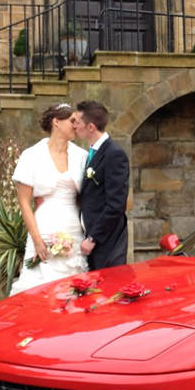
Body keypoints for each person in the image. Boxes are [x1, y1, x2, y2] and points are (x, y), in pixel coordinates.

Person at [8, 103, 89, 295]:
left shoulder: (82, 156)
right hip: (43, 227)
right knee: (38, 284)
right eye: (72, 121)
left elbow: (86, 197)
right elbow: (24, 203)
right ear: (56, 122)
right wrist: (36, 239)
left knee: (74, 287)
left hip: (74, 227)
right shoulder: (32, 155)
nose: (76, 126)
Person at [71, 100, 130, 270]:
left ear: (90, 127)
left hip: (107, 242)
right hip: (92, 239)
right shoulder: (91, 152)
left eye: (78, 123)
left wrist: (93, 238)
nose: (75, 126)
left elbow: (116, 204)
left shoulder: (114, 154)